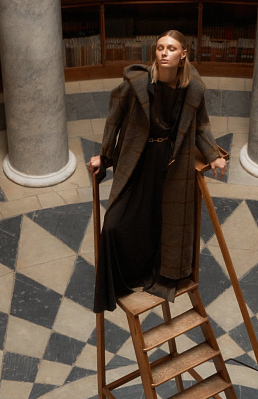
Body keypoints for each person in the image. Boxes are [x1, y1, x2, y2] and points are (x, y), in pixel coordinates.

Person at [88, 30, 226, 313]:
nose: (164, 52)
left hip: (172, 165)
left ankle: (153, 273)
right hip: (139, 160)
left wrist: (213, 155)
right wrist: (105, 155)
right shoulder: (136, 84)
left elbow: (200, 125)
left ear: (183, 54)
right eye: (160, 47)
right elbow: (114, 120)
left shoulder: (193, 88)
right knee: (114, 224)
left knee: (161, 222)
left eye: (171, 48)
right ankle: (120, 281)